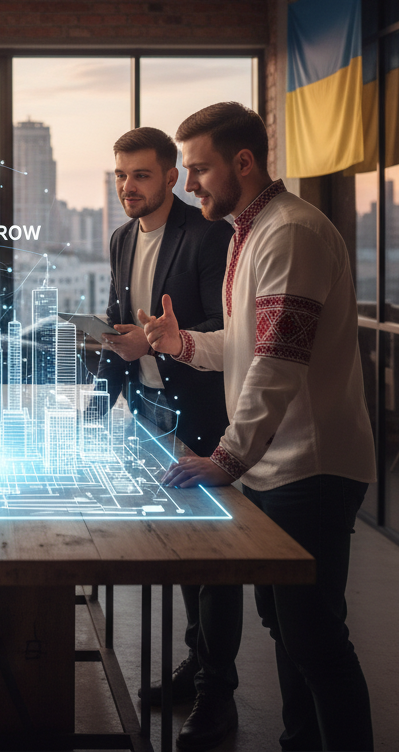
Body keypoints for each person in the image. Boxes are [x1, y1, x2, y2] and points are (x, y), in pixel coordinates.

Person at [143, 102, 376, 752]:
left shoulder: (290, 233)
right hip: (281, 465)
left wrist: (227, 458)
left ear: (243, 162)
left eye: (199, 169)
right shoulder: (253, 229)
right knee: (289, 630)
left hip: (313, 467)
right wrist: (180, 342)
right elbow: (246, 345)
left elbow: (277, 361)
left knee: (315, 640)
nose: (190, 185)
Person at [98, 127, 241, 752]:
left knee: (215, 558)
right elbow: (117, 325)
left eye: (142, 176)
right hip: (150, 408)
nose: (129, 187)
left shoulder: (210, 234)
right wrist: (97, 405)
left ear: (171, 178)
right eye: (122, 176)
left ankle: (219, 693)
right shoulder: (120, 237)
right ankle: (196, 663)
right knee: (182, 550)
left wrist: (159, 338)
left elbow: (223, 324)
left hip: (204, 411)